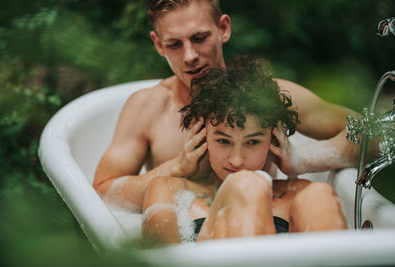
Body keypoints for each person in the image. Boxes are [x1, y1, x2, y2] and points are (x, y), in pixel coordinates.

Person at [93, 0, 359, 216]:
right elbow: (102, 193)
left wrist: (303, 159)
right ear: (158, 44)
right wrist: (176, 168)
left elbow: (377, 133)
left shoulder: (266, 96)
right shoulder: (148, 107)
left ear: (223, 28)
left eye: (199, 37)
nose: (190, 56)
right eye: (174, 44)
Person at [141, 55, 347, 244]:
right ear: (203, 135)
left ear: (272, 140)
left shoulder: (299, 195)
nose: (237, 160)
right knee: (247, 185)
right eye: (223, 141)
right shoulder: (169, 191)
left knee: (319, 194)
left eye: (252, 142)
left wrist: (301, 159)